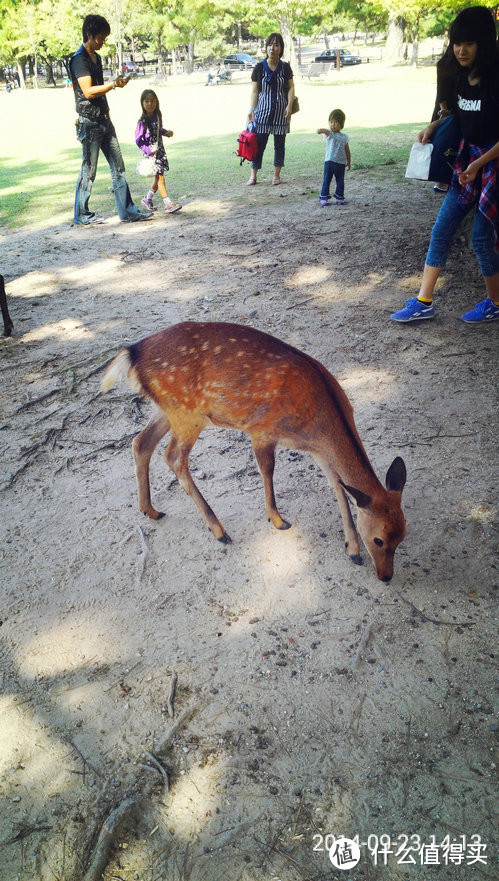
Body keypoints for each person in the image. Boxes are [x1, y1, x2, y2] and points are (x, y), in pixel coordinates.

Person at [391, 6, 499, 324]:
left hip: (491, 165)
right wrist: (432, 128)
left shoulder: (495, 81)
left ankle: (495, 302)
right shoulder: (461, 77)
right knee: (441, 230)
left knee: (481, 238)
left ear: (484, 43)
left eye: (469, 43)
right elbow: (454, 112)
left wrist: (479, 164)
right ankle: (424, 301)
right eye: (456, 42)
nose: (461, 49)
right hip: (468, 164)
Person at [70, 14, 152, 225]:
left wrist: (114, 84)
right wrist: (113, 85)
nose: (103, 41)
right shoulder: (80, 59)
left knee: (119, 168)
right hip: (89, 122)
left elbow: (98, 88)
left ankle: (128, 212)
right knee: (89, 170)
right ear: (89, 34)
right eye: (100, 37)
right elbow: (88, 91)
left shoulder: (95, 58)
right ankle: (82, 214)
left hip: (105, 120)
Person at [247, 33, 295, 186]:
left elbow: (291, 87)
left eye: (276, 45)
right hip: (262, 113)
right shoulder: (259, 68)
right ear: (266, 47)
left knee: (279, 145)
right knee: (258, 145)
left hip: (282, 113)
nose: (272, 48)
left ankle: (276, 176)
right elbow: (255, 91)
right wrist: (252, 110)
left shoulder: (285, 67)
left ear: (281, 49)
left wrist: (289, 105)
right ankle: (253, 176)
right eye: (270, 45)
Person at [135, 90, 182, 214]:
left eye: (153, 100)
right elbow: (138, 140)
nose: (150, 103)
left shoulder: (157, 115)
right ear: (142, 103)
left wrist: (166, 133)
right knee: (160, 177)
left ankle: (147, 199)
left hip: (160, 152)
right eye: (147, 101)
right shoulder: (142, 121)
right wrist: (148, 150)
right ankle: (168, 204)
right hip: (152, 155)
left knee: (159, 177)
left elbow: (158, 130)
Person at [316, 109, 351, 206]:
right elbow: (325, 131)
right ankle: (324, 197)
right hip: (329, 162)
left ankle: (340, 197)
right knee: (326, 180)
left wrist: (348, 161)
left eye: (336, 122)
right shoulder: (330, 134)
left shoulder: (344, 137)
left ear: (341, 123)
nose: (333, 125)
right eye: (331, 122)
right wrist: (320, 130)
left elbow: (347, 150)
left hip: (340, 163)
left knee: (340, 181)